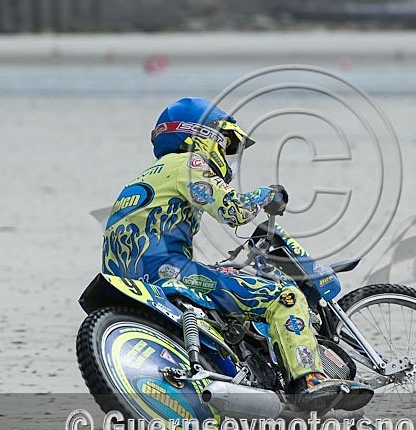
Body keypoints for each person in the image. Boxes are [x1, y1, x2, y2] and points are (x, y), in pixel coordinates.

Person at [102, 97, 374, 410]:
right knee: (283, 295)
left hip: (129, 284)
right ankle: (310, 380)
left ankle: (244, 419)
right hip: (170, 273)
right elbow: (235, 211)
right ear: (202, 136)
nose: (225, 157)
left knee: (228, 303)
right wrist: (268, 195)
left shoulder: (143, 178)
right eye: (224, 145)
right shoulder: (187, 165)